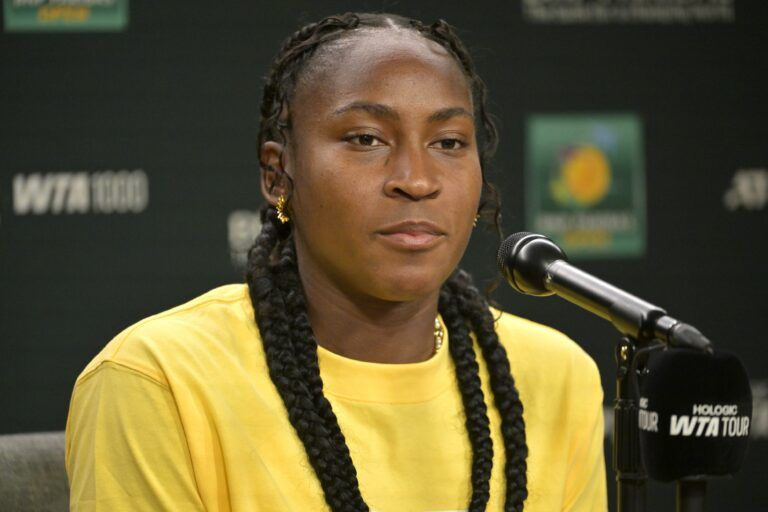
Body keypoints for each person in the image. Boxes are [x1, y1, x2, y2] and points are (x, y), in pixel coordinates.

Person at [65, 12, 606, 512]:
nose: (416, 180)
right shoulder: (158, 381)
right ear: (278, 175)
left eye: (448, 142)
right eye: (366, 139)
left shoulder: (557, 377)